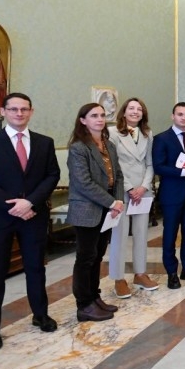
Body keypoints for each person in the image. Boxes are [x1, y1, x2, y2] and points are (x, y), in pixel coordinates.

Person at [0, 93, 61, 351]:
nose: (19, 113)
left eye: (24, 109)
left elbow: (52, 175)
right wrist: (15, 206)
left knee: (36, 269)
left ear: (31, 111)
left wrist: (30, 202)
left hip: (33, 216)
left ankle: (40, 315)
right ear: (4, 111)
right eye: (14, 109)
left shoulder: (45, 143)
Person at [67, 103, 125, 321]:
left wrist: (118, 199)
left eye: (102, 115)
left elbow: (118, 175)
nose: (99, 119)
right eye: (94, 116)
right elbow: (83, 183)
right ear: (83, 120)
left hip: (108, 208)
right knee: (85, 257)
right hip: (87, 209)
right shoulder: (78, 147)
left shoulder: (109, 145)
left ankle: (94, 296)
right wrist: (112, 202)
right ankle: (84, 305)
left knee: (98, 255)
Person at [108, 98, 158, 299]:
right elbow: (114, 164)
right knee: (119, 236)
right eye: (131, 108)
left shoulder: (148, 134)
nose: (135, 112)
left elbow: (149, 163)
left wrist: (144, 186)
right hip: (123, 190)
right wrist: (130, 188)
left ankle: (140, 273)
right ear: (124, 112)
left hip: (142, 192)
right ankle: (118, 278)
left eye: (139, 109)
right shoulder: (112, 133)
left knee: (141, 234)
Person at [152, 102, 185, 288]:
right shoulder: (162, 138)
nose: (183, 117)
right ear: (172, 116)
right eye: (180, 114)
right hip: (172, 195)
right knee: (170, 235)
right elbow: (159, 166)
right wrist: (184, 172)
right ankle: (171, 272)